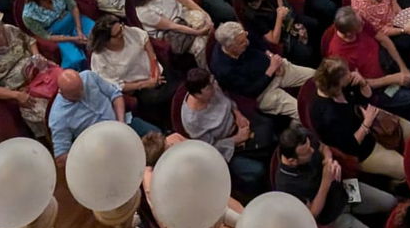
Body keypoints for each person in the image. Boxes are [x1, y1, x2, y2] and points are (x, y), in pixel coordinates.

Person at [274, 126, 398, 228]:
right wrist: (326, 182)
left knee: (392, 202)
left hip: (344, 189)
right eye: (307, 152)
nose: (312, 150)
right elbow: (311, 214)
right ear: (292, 161)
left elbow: (323, 147)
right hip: (332, 216)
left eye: (310, 147)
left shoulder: (304, 141)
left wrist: (329, 161)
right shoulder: (286, 185)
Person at [310, 56, 410, 183]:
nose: (350, 74)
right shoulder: (327, 115)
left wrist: (363, 83)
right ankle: (397, 185)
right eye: (346, 74)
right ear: (336, 84)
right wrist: (367, 123)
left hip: (369, 121)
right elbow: (350, 146)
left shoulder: (345, 84)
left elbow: (367, 98)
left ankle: (407, 157)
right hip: (363, 148)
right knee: (405, 169)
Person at [178, 67, 271, 197]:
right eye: (209, 88)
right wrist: (237, 139)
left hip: (237, 124)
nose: (214, 87)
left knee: (269, 131)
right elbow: (209, 147)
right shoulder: (193, 120)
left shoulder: (211, 85)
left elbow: (227, 102)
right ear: (198, 95)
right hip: (226, 145)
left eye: (212, 83)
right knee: (257, 170)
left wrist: (238, 115)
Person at [0, 14, 56, 138]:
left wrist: (36, 56)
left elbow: (30, 40)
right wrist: (17, 95)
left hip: (37, 70)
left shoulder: (9, 29)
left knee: (66, 87)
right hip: (22, 88)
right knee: (50, 114)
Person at [210, 20, 314, 125]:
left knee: (317, 77)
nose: (247, 42)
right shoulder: (223, 69)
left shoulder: (241, 36)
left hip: (275, 67)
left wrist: (271, 56)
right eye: (241, 42)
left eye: (245, 36)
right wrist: (270, 71)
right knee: (302, 111)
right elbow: (250, 91)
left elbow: (259, 42)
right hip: (263, 92)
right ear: (231, 47)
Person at [49, 68, 158, 161]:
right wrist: (89, 155)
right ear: (62, 93)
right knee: (132, 162)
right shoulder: (58, 117)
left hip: (122, 123)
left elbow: (115, 95)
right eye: (76, 94)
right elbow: (61, 156)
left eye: (81, 88)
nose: (82, 93)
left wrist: (121, 123)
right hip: (101, 147)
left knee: (157, 137)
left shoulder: (88, 76)